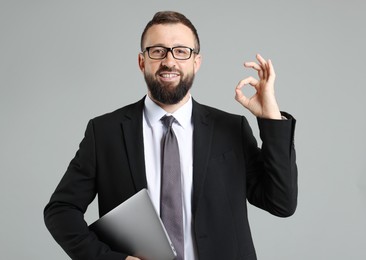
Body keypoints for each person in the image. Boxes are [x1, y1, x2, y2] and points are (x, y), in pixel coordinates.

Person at [44, 11, 297, 260]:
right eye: (157, 51)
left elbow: (281, 203)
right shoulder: (105, 133)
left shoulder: (231, 129)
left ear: (196, 62)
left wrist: (271, 118)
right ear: (142, 61)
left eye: (181, 51)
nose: (169, 61)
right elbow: (61, 210)